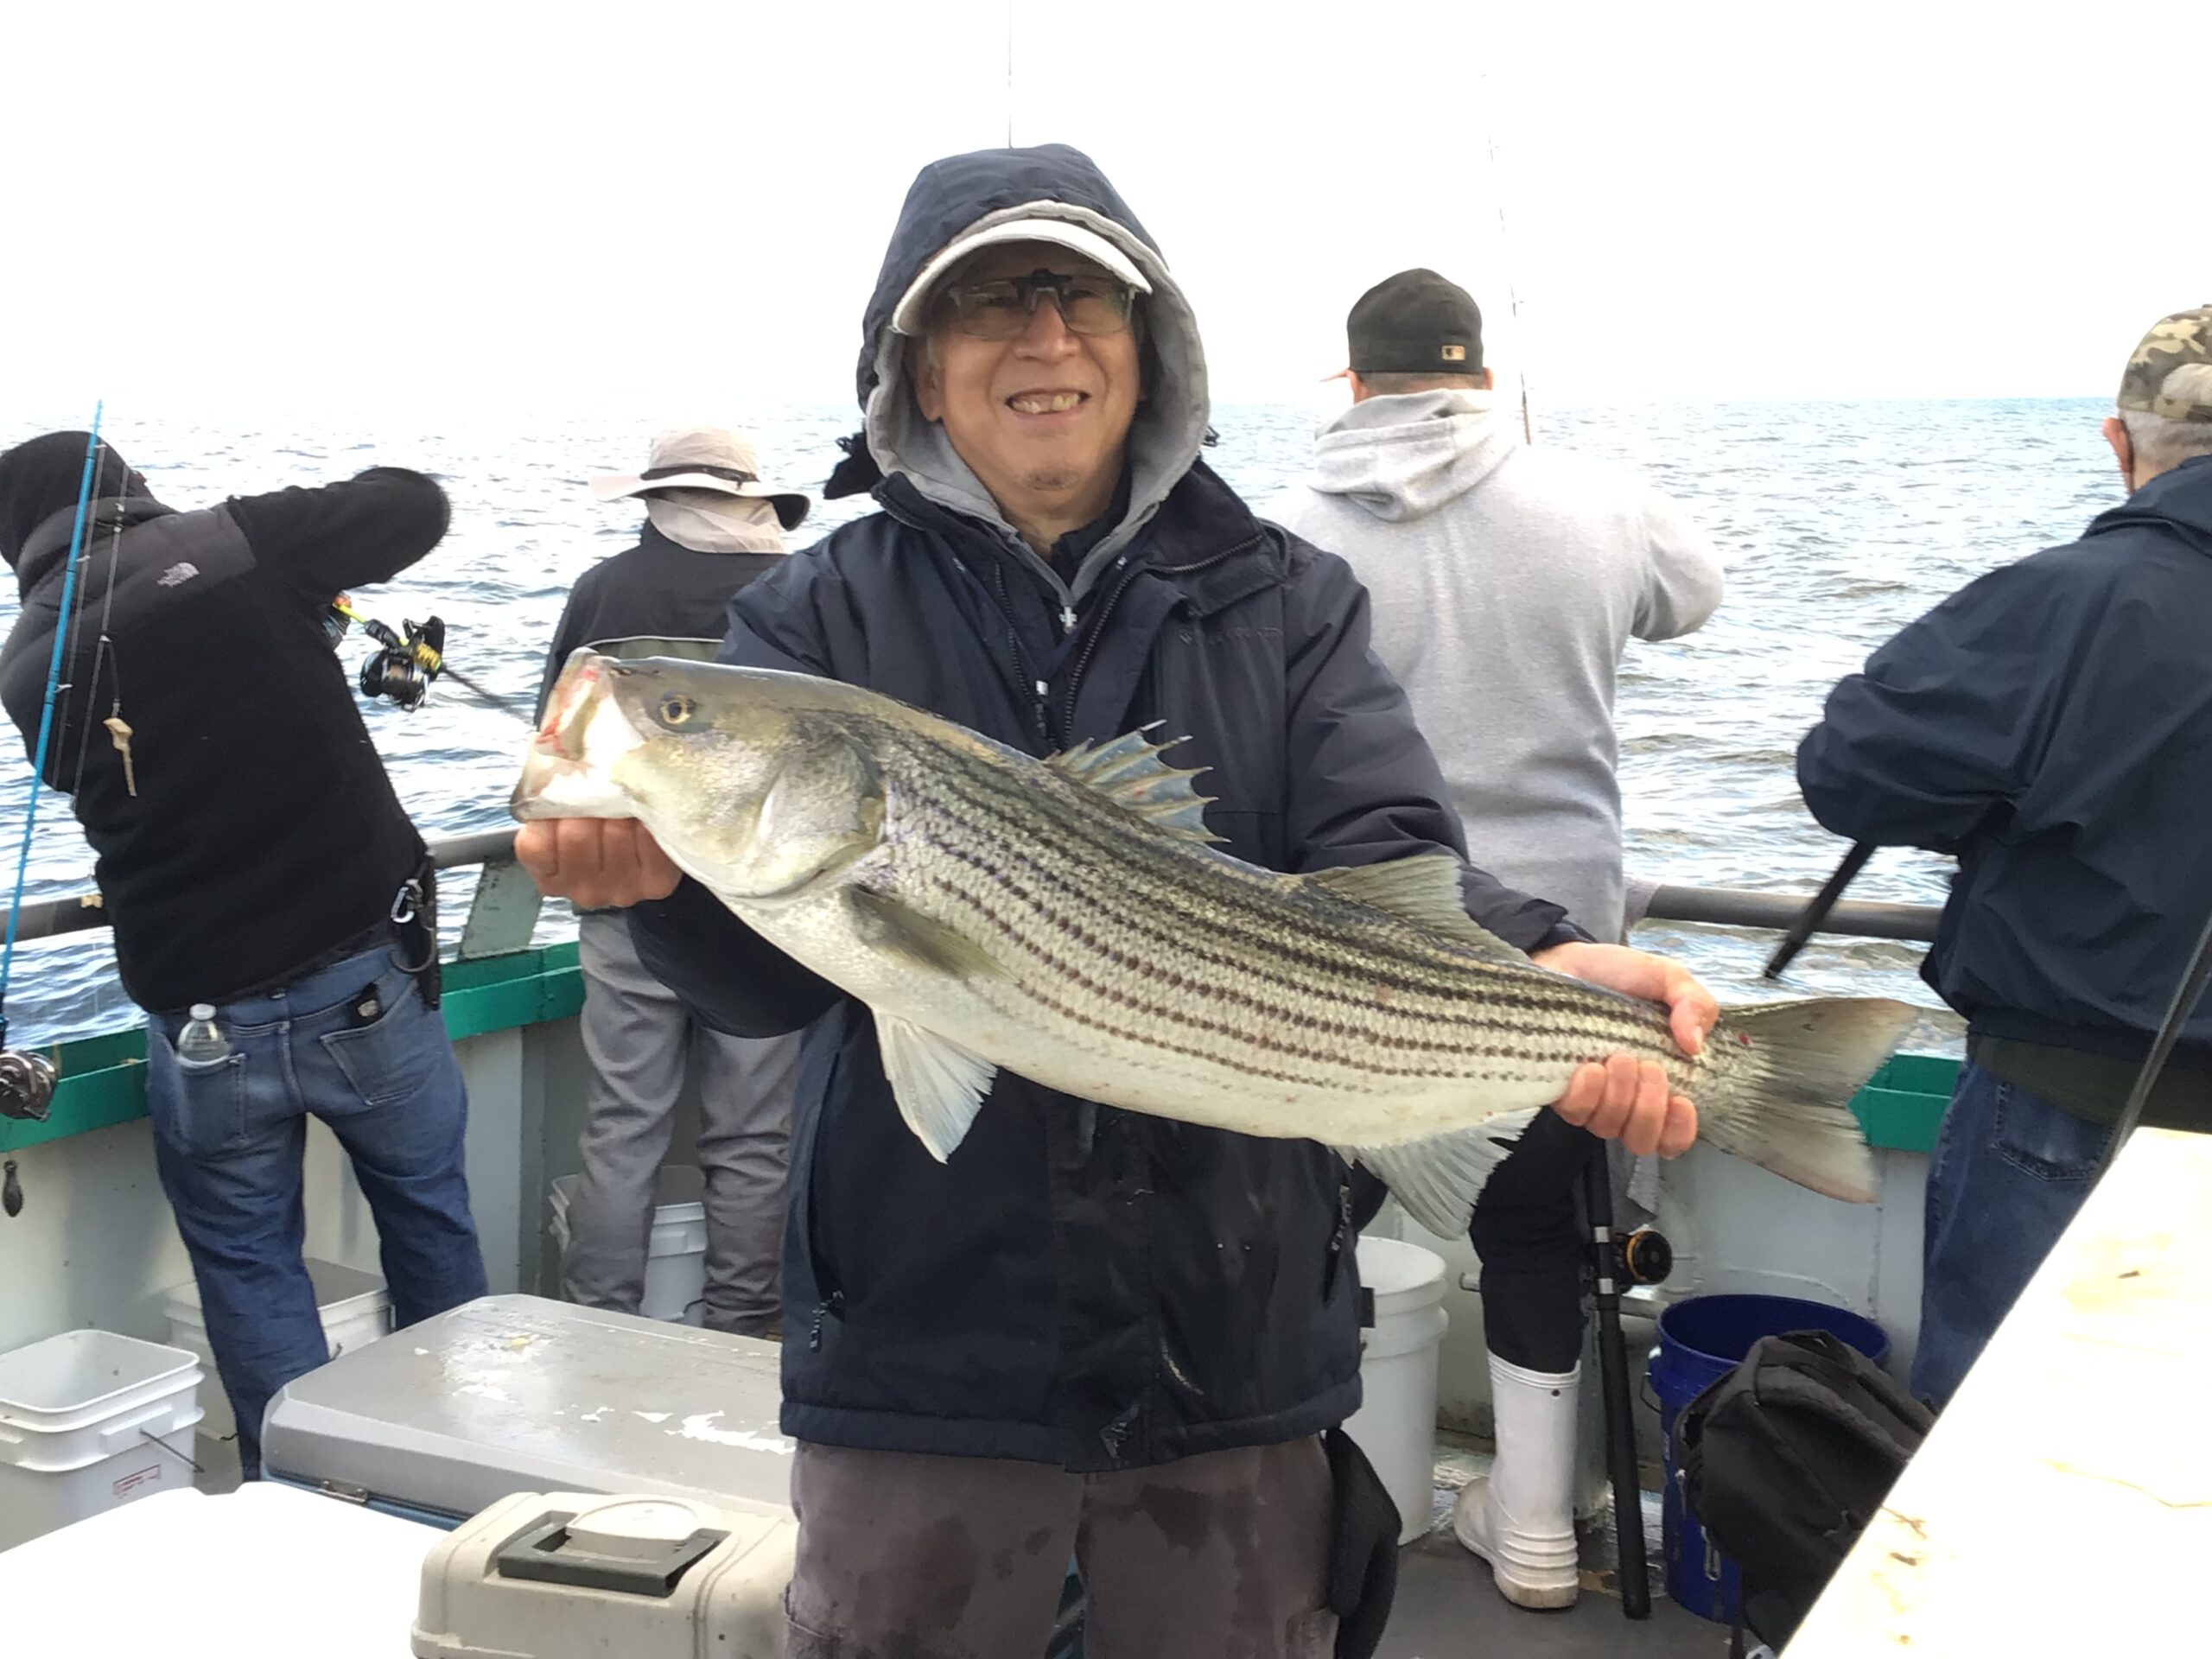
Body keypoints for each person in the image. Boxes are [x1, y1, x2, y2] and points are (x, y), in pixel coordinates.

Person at [516, 143, 1714, 1659]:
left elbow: (1388, 850)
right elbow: (767, 989)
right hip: (922, 1334)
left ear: (1151, 352)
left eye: (1085, 298)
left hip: (1228, 1326)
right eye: (987, 306)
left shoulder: (1284, 595)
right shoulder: (814, 617)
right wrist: (657, 888)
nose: (1045, 338)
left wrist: (1548, 960)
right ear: (919, 371)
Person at [1268, 268, 1725, 1609]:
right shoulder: (1597, 505)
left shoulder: (1277, 534)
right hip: (1567, 951)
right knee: (1545, 1238)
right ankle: (1536, 1536)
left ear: (1350, 384)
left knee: (1311, 1235)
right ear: (1481, 378)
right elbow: (1695, 595)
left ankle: (1309, 1518)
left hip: (1350, 967)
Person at [0, 434, 488, 1477]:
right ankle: (454, 1473)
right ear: (129, 485)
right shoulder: (237, 544)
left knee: (247, 1267)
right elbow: (413, 504)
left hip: (200, 1019)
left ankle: (299, 1498)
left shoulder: (23, 667)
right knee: (428, 1215)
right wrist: (271, 550)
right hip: (364, 982)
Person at [1798, 304, 2212, 1409]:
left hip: (2069, 1109)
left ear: (2120, 445)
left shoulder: (2072, 598)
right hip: (2084, 1098)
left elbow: (1847, 771)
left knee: (2000, 1461)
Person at [538, 424, 810, 1338]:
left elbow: (558, 741)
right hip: (763, 908)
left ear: (656, 498)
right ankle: (745, 1336)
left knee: (624, 1125)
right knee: (753, 1135)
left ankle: (601, 1328)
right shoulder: (795, 589)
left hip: (625, 897)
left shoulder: (604, 590)